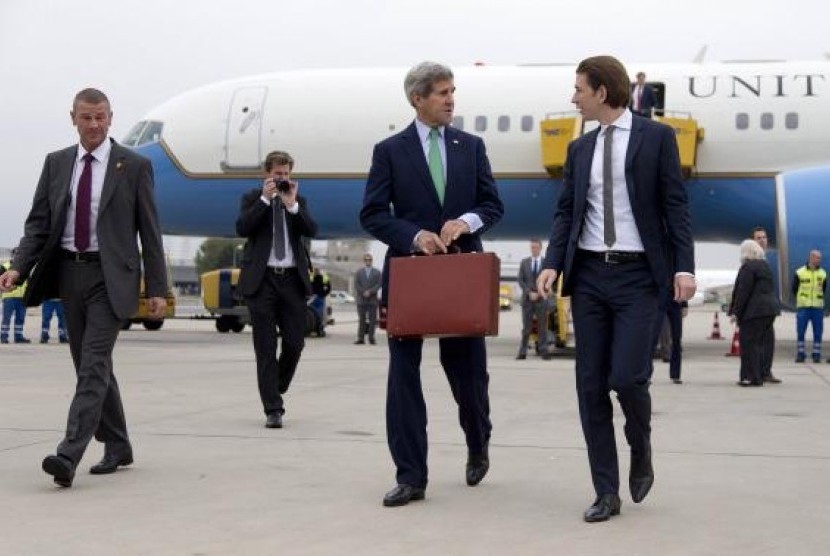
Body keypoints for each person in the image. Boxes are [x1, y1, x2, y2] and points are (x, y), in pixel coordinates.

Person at [536, 56, 696, 523]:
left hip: (637, 277)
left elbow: (676, 207)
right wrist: (551, 264)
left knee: (626, 378)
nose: (573, 97)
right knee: (590, 387)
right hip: (588, 276)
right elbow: (567, 212)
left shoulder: (657, 139)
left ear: (602, 92)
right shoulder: (579, 149)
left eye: (579, 89)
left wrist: (683, 268)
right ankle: (606, 491)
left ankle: (640, 445)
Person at [0, 88, 167, 488]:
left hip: (112, 278)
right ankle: (119, 444)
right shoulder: (56, 163)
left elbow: (150, 229)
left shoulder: (135, 165)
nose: (94, 125)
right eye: (86, 117)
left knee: (93, 366)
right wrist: (18, 268)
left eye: (101, 117)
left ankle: (68, 453)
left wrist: (158, 288)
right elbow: (38, 223)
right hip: (70, 275)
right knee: (91, 366)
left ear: (111, 118)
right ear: (72, 117)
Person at [360, 61, 504, 507]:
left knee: (467, 376)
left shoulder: (471, 147)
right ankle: (411, 476)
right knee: (403, 377)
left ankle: (477, 440)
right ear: (417, 99)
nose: (450, 99)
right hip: (410, 275)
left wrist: (464, 222)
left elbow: (492, 205)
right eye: (441, 92)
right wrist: (413, 235)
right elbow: (373, 214)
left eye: (452, 91)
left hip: (461, 273)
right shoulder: (390, 151)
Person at [236, 150, 318, 429]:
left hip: (292, 281)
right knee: (265, 347)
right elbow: (243, 228)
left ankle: (276, 384)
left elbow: (312, 229)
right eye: (277, 174)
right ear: (267, 174)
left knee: (296, 342)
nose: (282, 179)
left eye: (286, 174)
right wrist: (264, 200)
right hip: (263, 282)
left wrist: (292, 205)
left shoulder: (297, 200)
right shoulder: (252, 198)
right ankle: (273, 408)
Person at [728, 239, 781, 386]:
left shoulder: (748, 268)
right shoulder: (765, 266)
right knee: (760, 344)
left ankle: (752, 377)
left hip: (754, 312)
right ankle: (761, 373)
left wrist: (735, 312)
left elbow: (743, 292)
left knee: (749, 344)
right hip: (769, 311)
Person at [751, 226, 781, 382]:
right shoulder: (752, 261)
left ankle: (766, 371)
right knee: (757, 343)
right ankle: (757, 373)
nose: (762, 240)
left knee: (769, 342)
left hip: (768, 309)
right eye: (758, 238)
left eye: (764, 237)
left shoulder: (768, 259)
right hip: (756, 310)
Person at [516, 238, 552, 360]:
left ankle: (544, 351)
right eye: (532, 247)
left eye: (536, 247)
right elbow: (520, 280)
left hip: (541, 299)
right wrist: (529, 292)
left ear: (540, 248)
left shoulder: (546, 262)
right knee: (526, 328)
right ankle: (522, 352)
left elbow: (549, 280)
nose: (534, 249)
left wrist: (541, 293)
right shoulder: (524, 262)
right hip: (527, 300)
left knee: (542, 327)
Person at [792, 249, 826, 363]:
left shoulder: (823, 273)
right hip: (804, 307)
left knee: (818, 331)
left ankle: (816, 354)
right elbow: (794, 289)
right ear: (811, 258)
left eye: (820, 258)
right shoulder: (799, 272)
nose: (819, 260)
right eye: (817, 258)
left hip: (817, 308)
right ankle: (801, 354)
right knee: (801, 331)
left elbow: (823, 289)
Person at [1, 249, 31, 344]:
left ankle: (19, 337)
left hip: (22, 298)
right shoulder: (4, 267)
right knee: (7, 318)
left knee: (20, 318)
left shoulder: (25, 268)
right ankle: (3, 336)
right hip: (9, 297)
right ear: (12, 255)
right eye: (16, 254)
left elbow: (29, 283)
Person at [354, 253, 381, 345]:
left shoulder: (377, 272)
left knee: (372, 320)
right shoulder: (359, 272)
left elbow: (379, 284)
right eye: (366, 260)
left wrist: (370, 292)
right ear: (364, 261)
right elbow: (356, 284)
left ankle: (371, 338)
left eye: (369, 260)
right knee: (361, 320)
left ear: (371, 261)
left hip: (372, 300)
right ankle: (360, 338)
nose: (368, 261)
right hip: (361, 300)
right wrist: (363, 292)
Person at [310, 267, 331, 337]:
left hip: (319, 298)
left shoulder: (324, 278)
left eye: (317, 270)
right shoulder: (311, 277)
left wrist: (323, 294)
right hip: (311, 298)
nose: (316, 271)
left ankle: (318, 329)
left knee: (319, 314)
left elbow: (328, 288)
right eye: (315, 270)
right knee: (311, 315)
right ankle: (313, 329)